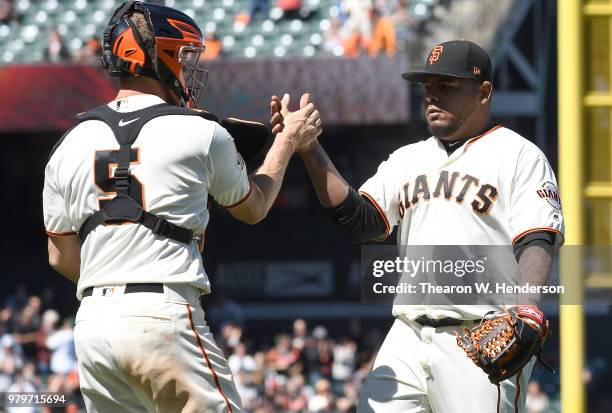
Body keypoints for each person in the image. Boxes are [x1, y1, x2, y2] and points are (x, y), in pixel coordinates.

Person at [42, 1, 320, 412]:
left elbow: (60, 255)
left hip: (93, 325)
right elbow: (253, 207)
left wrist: (116, 279)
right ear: (161, 55)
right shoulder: (200, 131)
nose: (191, 67)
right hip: (162, 312)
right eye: (186, 54)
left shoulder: (67, 144)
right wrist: (287, 142)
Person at [291, 40, 564, 412]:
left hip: (482, 333)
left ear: (484, 92)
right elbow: (360, 221)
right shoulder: (408, 158)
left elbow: (537, 236)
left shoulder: (518, 154)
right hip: (408, 332)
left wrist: (528, 305)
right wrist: (310, 150)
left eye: (446, 87)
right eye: (428, 88)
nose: (432, 97)